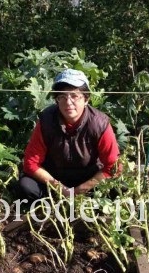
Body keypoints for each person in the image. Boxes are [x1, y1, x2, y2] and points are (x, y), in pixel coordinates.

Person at [18, 68, 121, 203]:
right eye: (62, 96)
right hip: (53, 178)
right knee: (25, 186)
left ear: (86, 99)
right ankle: (51, 207)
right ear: (56, 100)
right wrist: (61, 189)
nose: (68, 102)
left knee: (118, 187)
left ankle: (89, 205)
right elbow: (31, 163)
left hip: (89, 179)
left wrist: (79, 190)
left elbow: (113, 166)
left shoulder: (99, 123)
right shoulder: (46, 121)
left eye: (74, 96)